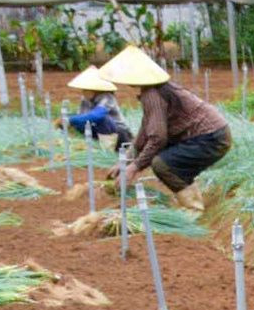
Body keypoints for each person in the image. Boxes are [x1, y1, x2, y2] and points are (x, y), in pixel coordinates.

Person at [99, 44, 231, 206]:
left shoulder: (152, 94)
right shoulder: (154, 91)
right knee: (172, 164)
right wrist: (125, 161)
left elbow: (157, 139)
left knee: (162, 164)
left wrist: (133, 168)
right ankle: (193, 201)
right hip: (212, 135)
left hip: (210, 137)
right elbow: (145, 133)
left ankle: (193, 207)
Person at [61, 64, 131, 149]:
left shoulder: (107, 97)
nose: (83, 92)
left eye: (86, 89)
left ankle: (108, 149)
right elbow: (82, 117)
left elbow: (97, 115)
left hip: (118, 133)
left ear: (94, 89)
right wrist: (68, 121)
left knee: (102, 119)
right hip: (98, 130)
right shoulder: (85, 99)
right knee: (77, 121)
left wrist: (70, 120)